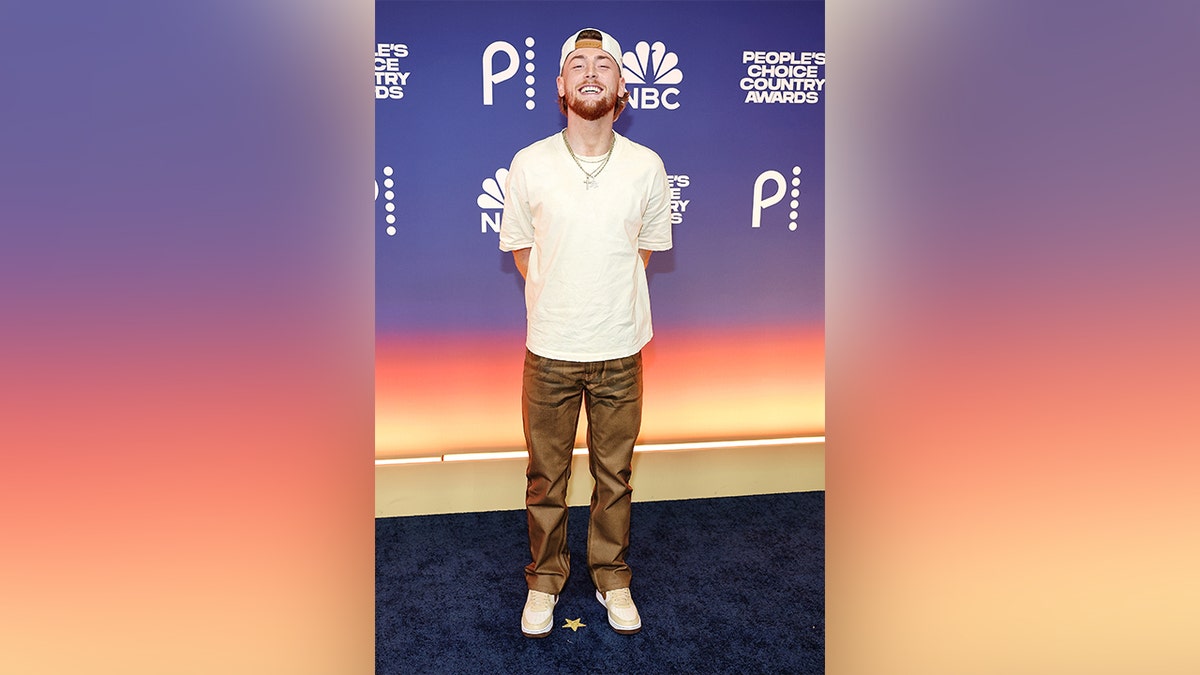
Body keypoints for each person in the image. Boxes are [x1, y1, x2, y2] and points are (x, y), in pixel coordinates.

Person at [498, 27, 673, 638]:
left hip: (621, 348)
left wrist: (603, 304)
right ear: (560, 86)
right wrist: (564, 300)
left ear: (623, 85)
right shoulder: (529, 163)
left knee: (614, 475)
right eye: (578, 64)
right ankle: (544, 581)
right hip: (549, 350)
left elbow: (643, 253)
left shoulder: (647, 167)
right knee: (545, 476)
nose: (591, 73)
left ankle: (612, 577)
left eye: (604, 65)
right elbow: (522, 250)